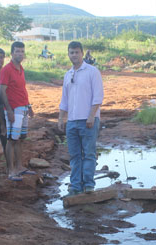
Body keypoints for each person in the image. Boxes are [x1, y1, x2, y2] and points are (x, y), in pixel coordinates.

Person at [58, 41, 104, 195]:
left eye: (77, 52)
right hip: (71, 121)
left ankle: (89, 185)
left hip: (88, 120)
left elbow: (98, 97)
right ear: (68, 54)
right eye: (71, 52)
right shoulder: (68, 74)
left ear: (82, 53)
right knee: (75, 155)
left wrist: (91, 116)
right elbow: (64, 99)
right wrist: (60, 119)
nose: (74, 55)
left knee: (89, 153)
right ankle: (76, 185)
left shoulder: (92, 71)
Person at [0, 41, 35, 181]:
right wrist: (8, 110)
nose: (20, 53)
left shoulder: (21, 68)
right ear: (12, 53)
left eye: (22, 51)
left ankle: (19, 167)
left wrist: (29, 106)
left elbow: (22, 89)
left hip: (23, 107)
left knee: (20, 138)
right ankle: (11, 170)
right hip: (13, 109)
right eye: (17, 51)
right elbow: (2, 90)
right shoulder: (6, 69)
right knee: (11, 139)